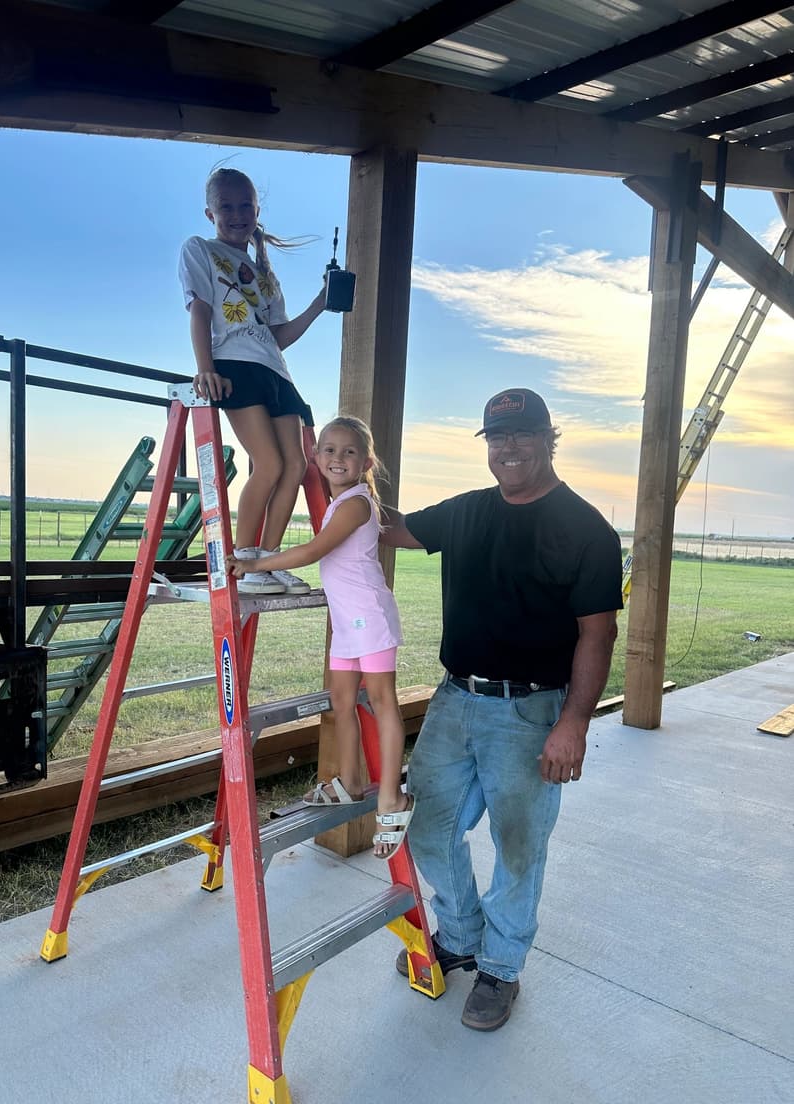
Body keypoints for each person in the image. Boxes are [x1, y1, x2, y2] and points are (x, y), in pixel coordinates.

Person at [381, 387, 623, 1031]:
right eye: (497, 437)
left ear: (550, 438)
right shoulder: (466, 513)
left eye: (522, 434)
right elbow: (389, 527)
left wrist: (574, 721)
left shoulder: (586, 529)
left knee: (518, 847)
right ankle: (460, 935)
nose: (509, 448)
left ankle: (502, 968)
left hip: (532, 712)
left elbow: (598, 634)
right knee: (426, 826)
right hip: (455, 699)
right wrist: (336, 473)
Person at [227, 416, 415, 860]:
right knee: (342, 702)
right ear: (315, 456)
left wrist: (256, 563)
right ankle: (351, 780)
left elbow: (314, 551)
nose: (337, 458)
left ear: (366, 461)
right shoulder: (338, 501)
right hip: (348, 621)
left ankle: (392, 796)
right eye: (328, 449)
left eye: (349, 451)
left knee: (383, 702)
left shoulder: (356, 502)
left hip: (369, 617)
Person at [179, 166, 326, 596]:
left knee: (296, 466)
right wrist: (205, 366)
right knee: (270, 464)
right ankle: (244, 561)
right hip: (235, 365)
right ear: (210, 213)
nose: (237, 213)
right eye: (227, 206)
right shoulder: (200, 249)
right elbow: (200, 310)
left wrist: (319, 304)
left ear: (257, 211)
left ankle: (268, 559)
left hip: (275, 371)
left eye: (246, 205)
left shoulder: (265, 274)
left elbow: (278, 336)